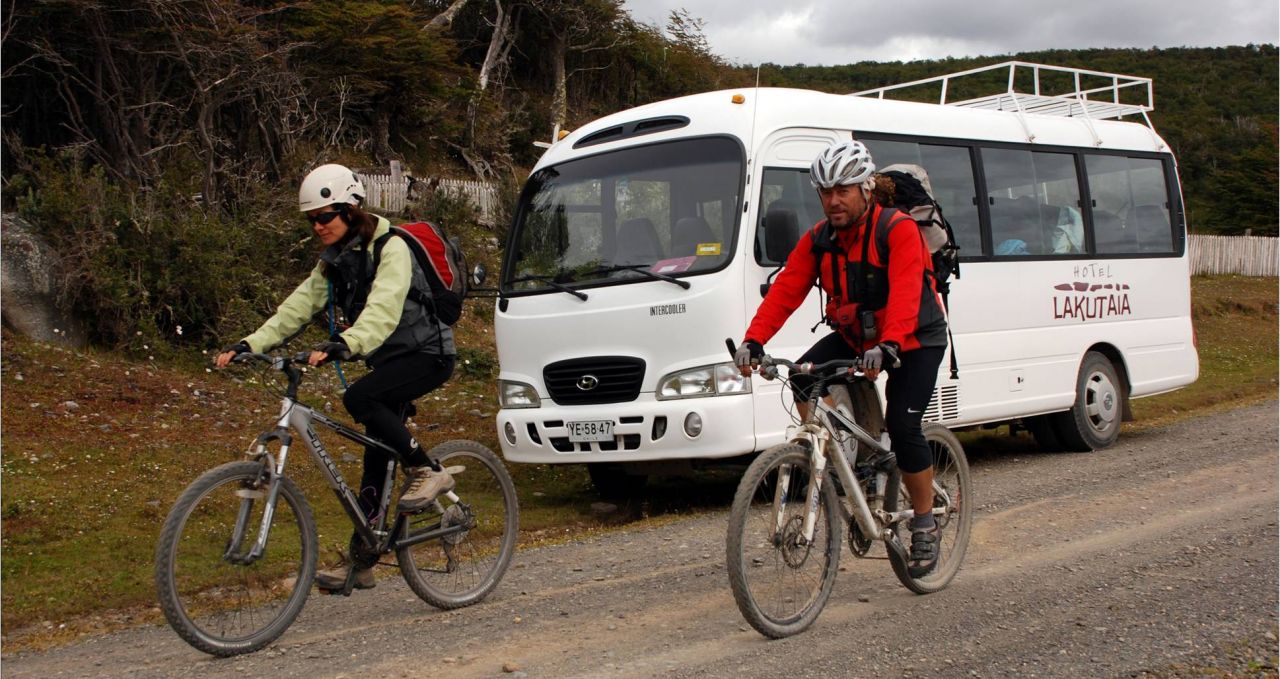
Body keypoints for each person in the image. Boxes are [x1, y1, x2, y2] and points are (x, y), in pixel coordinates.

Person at [215, 163, 457, 591]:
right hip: (388, 360)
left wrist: (345, 342)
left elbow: (382, 310)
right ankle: (363, 561)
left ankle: (428, 470)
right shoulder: (335, 261)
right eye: (311, 219)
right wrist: (250, 343)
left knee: (360, 399)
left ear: (351, 209)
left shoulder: (392, 247)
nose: (317, 226)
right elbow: (295, 308)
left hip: (428, 355)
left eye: (325, 216)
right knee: (375, 456)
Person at [734, 140, 949, 577]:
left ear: (866, 188)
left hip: (914, 339)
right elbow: (786, 290)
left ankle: (924, 523)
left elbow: (908, 293)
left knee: (905, 428)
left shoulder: (898, 229)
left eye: (843, 190)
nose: (834, 200)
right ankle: (850, 460)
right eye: (825, 192)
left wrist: (888, 345)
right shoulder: (820, 239)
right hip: (859, 335)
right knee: (802, 378)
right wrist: (753, 341)